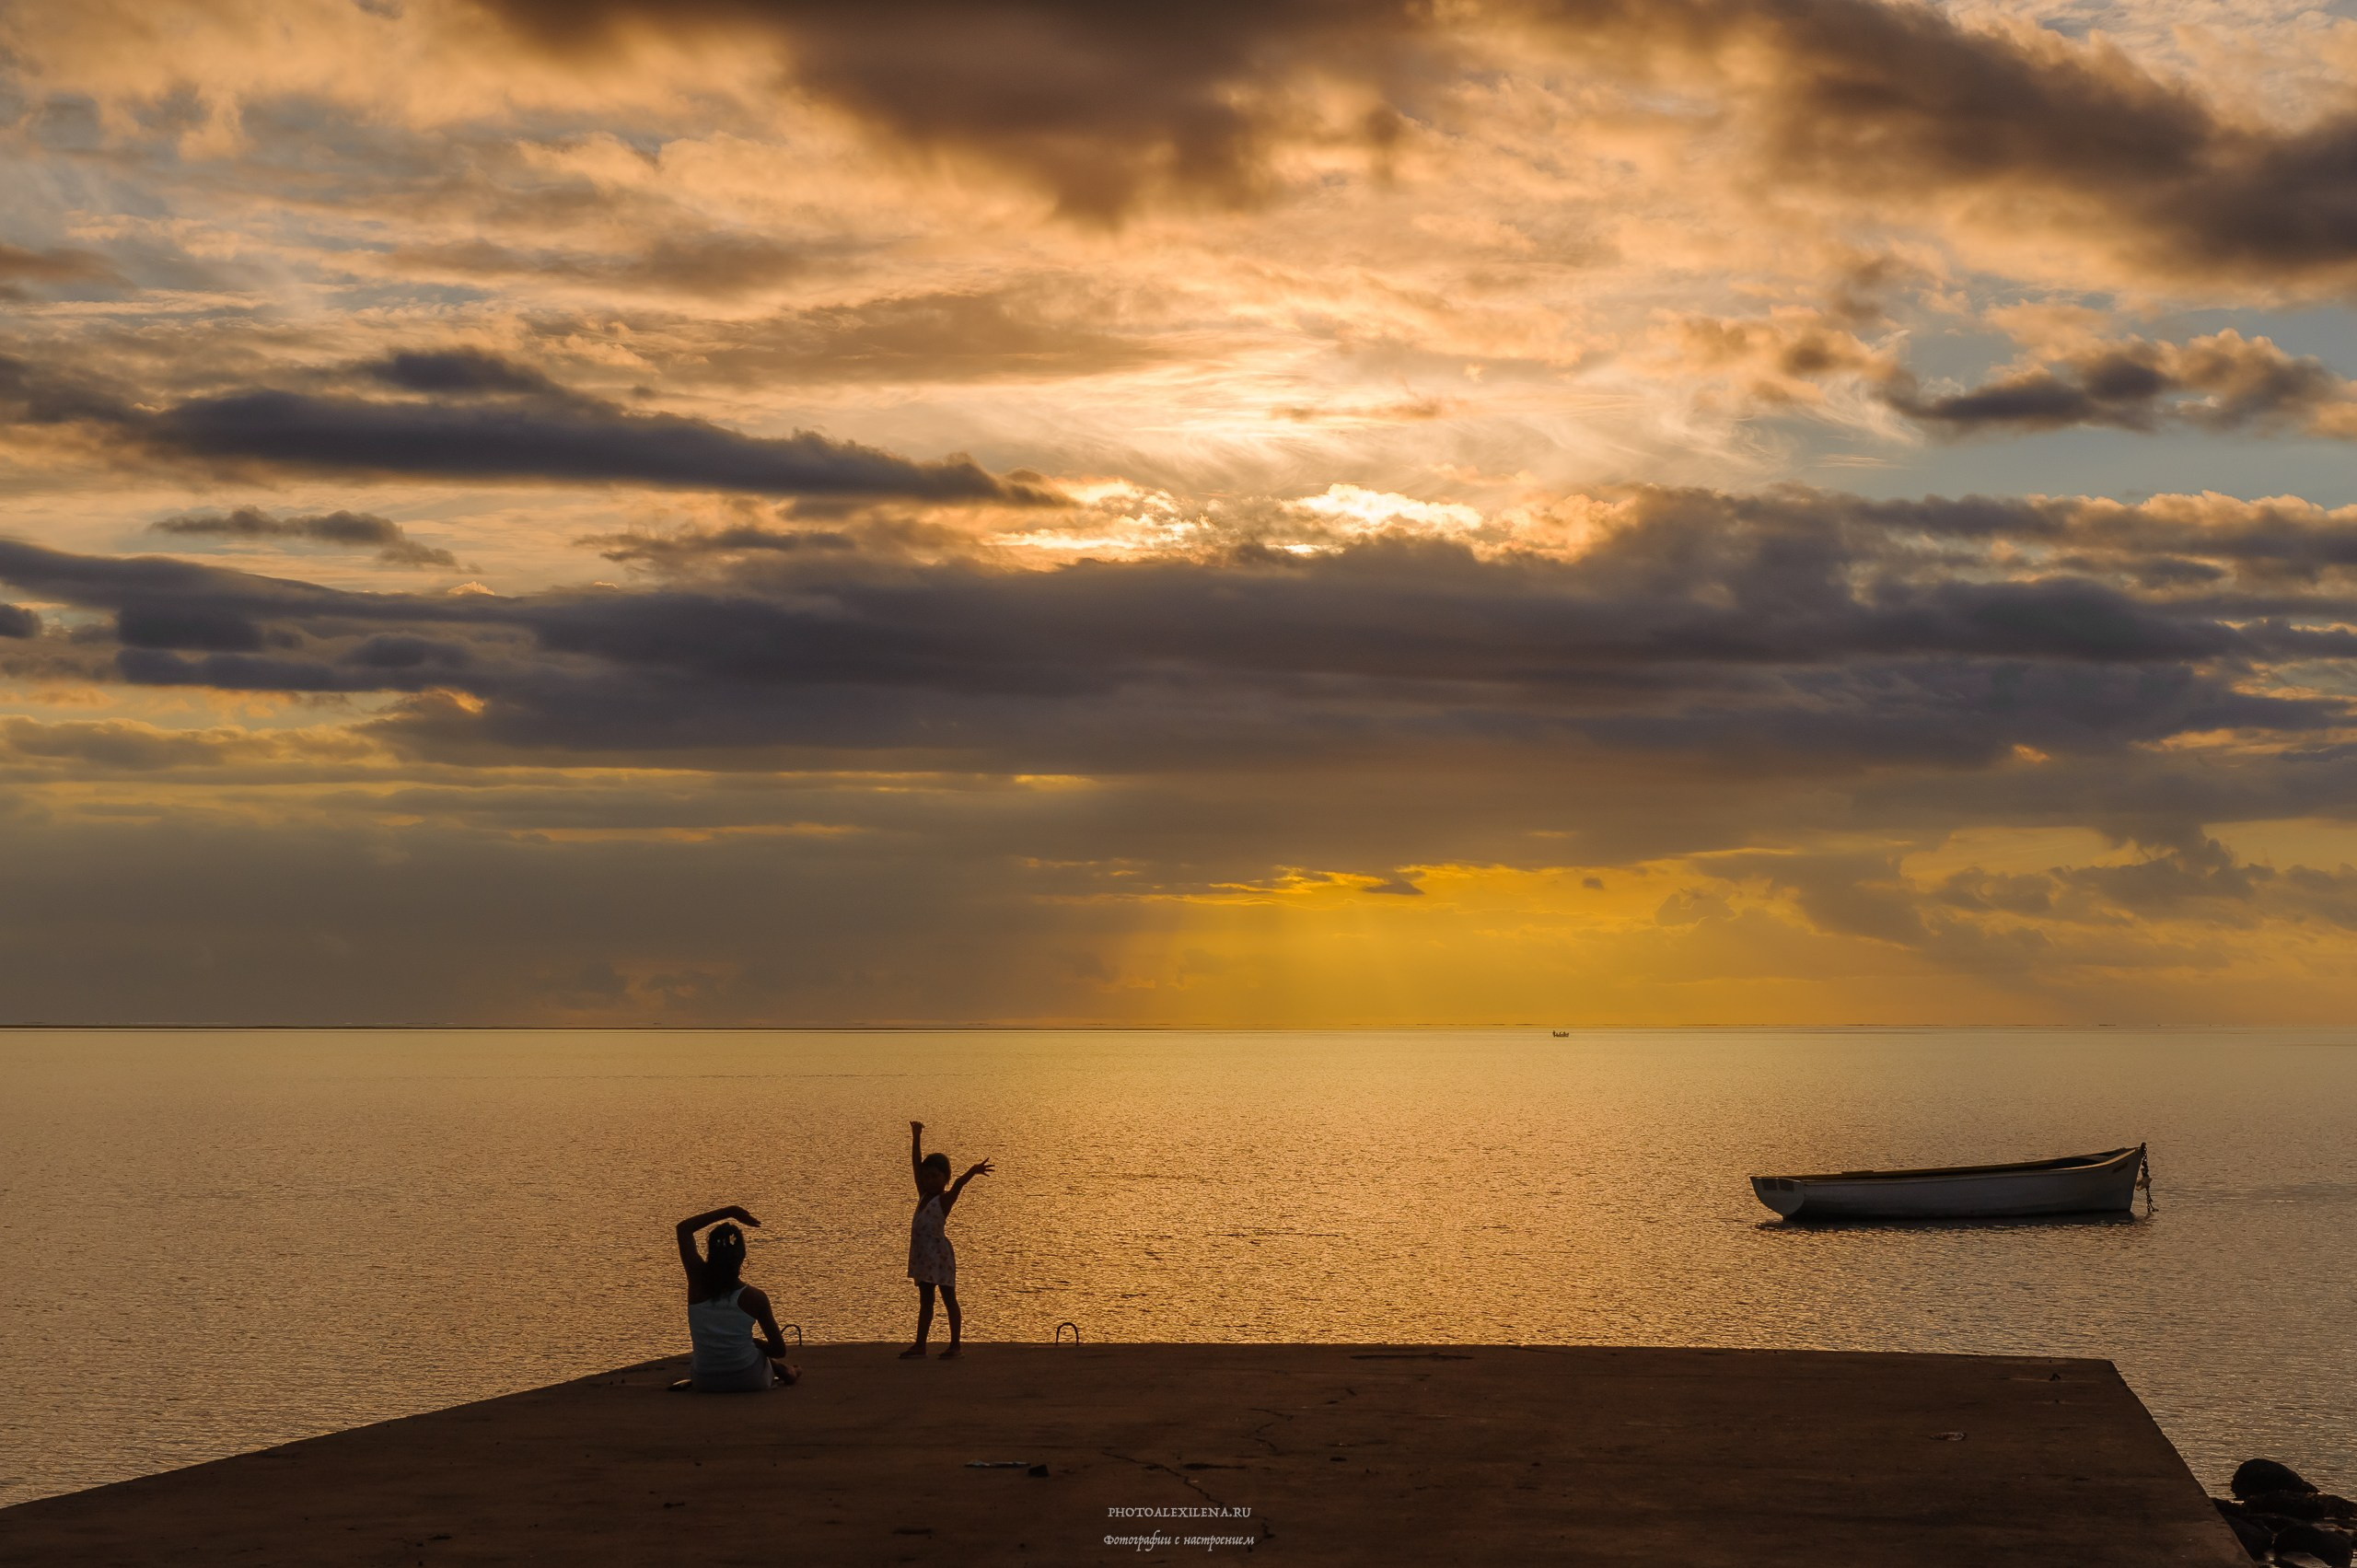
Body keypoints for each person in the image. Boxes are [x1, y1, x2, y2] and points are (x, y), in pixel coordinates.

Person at [675, 1204, 800, 1391]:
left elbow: (683, 1229)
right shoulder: (755, 1298)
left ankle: (785, 1370)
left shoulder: (697, 1282)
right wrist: (757, 1344)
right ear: (742, 1255)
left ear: (711, 1252)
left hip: (705, 1381)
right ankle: (790, 1372)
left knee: (752, 1352)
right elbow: (779, 1350)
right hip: (750, 1380)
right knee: (760, 1354)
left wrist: (730, 1211)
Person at [902, 1121, 992, 1359]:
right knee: (926, 1301)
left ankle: (955, 1345)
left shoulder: (943, 1200)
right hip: (923, 1258)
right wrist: (916, 1137)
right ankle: (920, 1345)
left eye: (935, 1176)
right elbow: (915, 1164)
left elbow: (959, 1185)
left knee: (949, 1298)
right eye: (927, 1176)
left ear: (944, 1178)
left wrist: (973, 1171)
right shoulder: (923, 1195)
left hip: (940, 1257)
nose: (930, 1180)